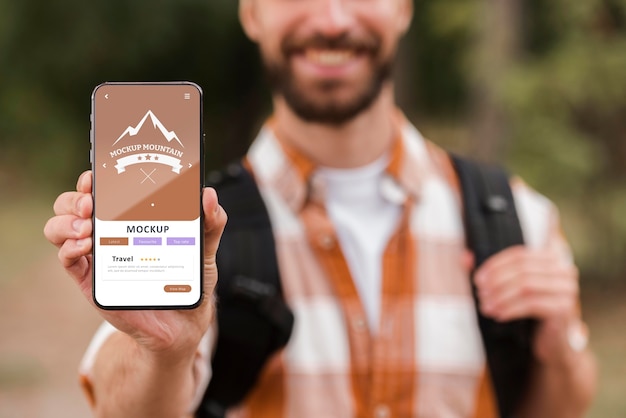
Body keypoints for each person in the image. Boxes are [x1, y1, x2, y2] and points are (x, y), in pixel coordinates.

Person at [44, 0, 597, 417]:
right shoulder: (200, 229)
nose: (332, 19)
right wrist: (163, 350)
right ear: (252, 12)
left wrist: (560, 348)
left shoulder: (517, 217)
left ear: (404, 8)